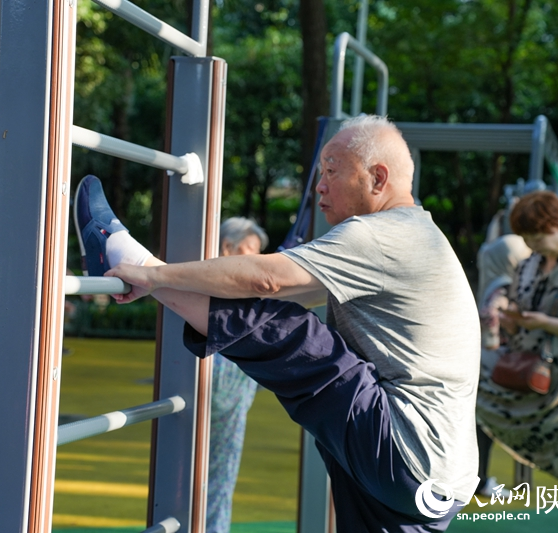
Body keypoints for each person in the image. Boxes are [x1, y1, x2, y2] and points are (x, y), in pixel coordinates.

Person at [74, 114, 481, 531]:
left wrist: (154, 275)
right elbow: (282, 290)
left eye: (332, 171)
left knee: (300, 340)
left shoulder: (382, 234)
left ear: (378, 179)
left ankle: (128, 258)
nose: (320, 185)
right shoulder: (421, 237)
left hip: (404, 447)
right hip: (441, 482)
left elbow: (266, 280)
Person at [476, 191, 558, 533]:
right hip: (528, 370)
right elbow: (520, 310)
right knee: (469, 384)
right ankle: (469, 482)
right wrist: (503, 310)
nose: (532, 243)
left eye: (537, 234)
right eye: (526, 237)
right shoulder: (529, 263)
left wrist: (545, 323)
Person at [207, 217, 268, 533]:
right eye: (249, 252)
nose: (255, 262)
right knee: (215, 476)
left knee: (222, 478)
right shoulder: (216, 285)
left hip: (234, 394)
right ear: (226, 248)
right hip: (219, 391)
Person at [473, 234, 531, 497]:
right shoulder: (506, 285)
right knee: (487, 426)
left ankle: (479, 479)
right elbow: (490, 314)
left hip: (482, 366)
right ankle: (482, 480)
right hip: (497, 369)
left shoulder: (491, 276)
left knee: (479, 425)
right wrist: (495, 339)